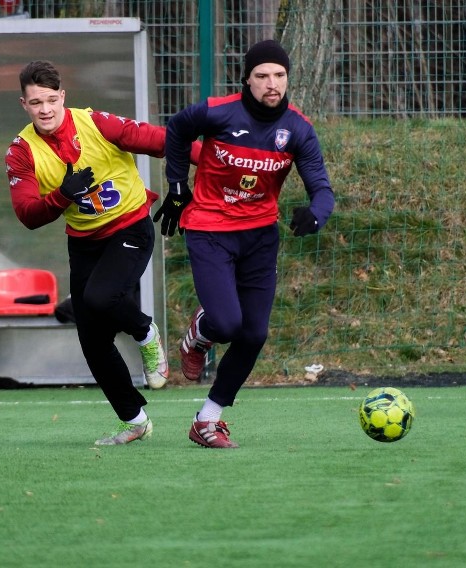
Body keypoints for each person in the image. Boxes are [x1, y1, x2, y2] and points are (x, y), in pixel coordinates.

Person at [157, 39, 335, 448]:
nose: (272, 84)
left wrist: (315, 214)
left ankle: (207, 420)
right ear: (247, 80)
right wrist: (177, 186)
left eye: (279, 75)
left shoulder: (298, 129)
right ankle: (201, 332)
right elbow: (179, 129)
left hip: (259, 237)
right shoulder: (218, 112)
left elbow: (322, 188)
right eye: (262, 76)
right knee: (226, 323)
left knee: (253, 334)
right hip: (209, 230)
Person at [5, 60, 187, 445]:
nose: (45, 109)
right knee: (91, 337)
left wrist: (213, 162)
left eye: (51, 100)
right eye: (36, 102)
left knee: (100, 297)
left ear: (63, 97)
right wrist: (62, 195)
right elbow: (27, 215)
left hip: (130, 226)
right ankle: (135, 421)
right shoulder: (21, 151)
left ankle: (145, 331)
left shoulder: (95, 123)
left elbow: (160, 141)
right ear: (23, 104)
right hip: (84, 241)